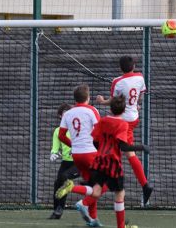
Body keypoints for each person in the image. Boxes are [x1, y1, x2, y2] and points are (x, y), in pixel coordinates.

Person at [56, 95, 149, 228]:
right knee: (119, 193)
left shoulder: (103, 121)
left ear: (110, 109)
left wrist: (101, 152)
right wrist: (141, 147)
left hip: (99, 162)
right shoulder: (122, 124)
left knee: (97, 190)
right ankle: (121, 227)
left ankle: (74, 190)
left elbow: (94, 140)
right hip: (113, 163)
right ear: (123, 111)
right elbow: (123, 146)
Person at [96, 56, 153, 205]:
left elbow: (115, 101)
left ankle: (96, 191)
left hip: (122, 122)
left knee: (115, 151)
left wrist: (102, 101)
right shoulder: (140, 77)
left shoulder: (117, 82)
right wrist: (136, 105)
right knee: (126, 153)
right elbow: (140, 97)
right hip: (134, 118)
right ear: (134, 65)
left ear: (120, 68)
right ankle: (144, 185)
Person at [59, 84, 105, 227]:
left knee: (92, 185)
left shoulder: (68, 113)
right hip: (90, 152)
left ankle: (93, 219)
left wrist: (73, 144)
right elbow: (99, 132)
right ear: (88, 97)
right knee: (107, 182)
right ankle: (78, 196)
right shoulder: (92, 110)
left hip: (77, 155)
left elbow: (61, 135)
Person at [49, 103, 80, 219]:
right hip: (66, 162)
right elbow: (55, 148)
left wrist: (77, 150)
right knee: (58, 183)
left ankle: (87, 208)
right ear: (60, 116)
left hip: (80, 161)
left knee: (64, 178)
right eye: (65, 114)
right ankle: (57, 210)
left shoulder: (77, 128)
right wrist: (53, 154)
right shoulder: (58, 131)